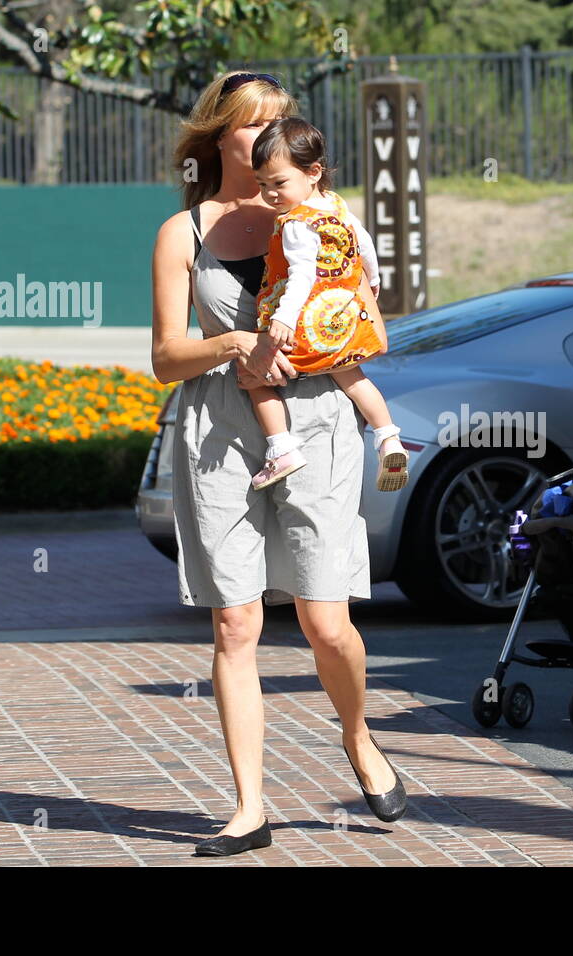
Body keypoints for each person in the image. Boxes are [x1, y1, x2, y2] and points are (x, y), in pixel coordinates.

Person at [150, 70, 407, 857]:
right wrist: (233, 344)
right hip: (221, 432)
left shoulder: (322, 216)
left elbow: (369, 326)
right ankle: (250, 807)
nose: (266, 137)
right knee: (235, 620)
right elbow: (165, 359)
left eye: (280, 123)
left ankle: (358, 735)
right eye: (251, 126)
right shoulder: (182, 234)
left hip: (321, 425)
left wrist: (342, 322)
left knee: (327, 625)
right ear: (220, 136)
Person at [245, 116, 409, 493]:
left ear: (313, 171)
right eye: (262, 184)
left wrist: (283, 318)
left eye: (279, 182)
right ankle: (388, 438)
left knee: (252, 378)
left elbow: (301, 274)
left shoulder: (296, 224)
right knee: (354, 379)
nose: (270, 193)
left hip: (303, 325)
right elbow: (363, 240)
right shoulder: (334, 205)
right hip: (341, 319)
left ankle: (282, 447)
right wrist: (374, 275)